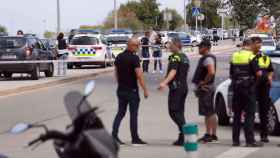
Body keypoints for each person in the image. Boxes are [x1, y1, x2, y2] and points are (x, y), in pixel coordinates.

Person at [112, 38, 149, 146]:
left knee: (120, 113)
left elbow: (116, 73)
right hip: (132, 91)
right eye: (137, 46)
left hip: (121, 89)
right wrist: (145, 90)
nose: (138, 48)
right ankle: (135, 138)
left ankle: (114, 136)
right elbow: (139, 75)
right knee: (133, 115)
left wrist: (120, 84)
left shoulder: (119, 57)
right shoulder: (134, 58)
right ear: (131, 45)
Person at [230, 39, 263, 147]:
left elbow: (231, 74)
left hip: (236, 88)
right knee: (249, 115)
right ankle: (250, 141)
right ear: (250, 45)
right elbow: (258, 73)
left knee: (237, 115)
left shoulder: (234, 56)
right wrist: (255, 84)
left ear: (243, 45)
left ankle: (235, 140)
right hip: (248, 89)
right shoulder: (251, 56)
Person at [158, 37, 190, 146]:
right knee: (180, 112)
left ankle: (185, 133)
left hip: (176, 88)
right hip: (184, 87)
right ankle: (182, 138)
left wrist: (164, 83)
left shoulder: (175, 57)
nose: (169, 46)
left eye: (171, 44)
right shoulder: (184, 57)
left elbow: (173, 72)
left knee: (173, 112)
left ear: (176, 45)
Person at [192, 39, 218, 143]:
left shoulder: (207, 58)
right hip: (208, 88)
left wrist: (203, 82)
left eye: (200, 47)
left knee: (209, 112)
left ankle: (209, 134)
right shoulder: (206, 58)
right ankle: (213, 134)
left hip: (206, 88)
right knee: (210, 112)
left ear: (206, 48)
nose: (198, 48)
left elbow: (211, 72)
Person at [251, 37, 274, 143]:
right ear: (252, 44)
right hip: (251, 86)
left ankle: (264, 135)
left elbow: (270, 70)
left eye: (260, 43)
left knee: (263, 111)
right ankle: (249, 137)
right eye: (256, 43)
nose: (259, 45)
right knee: (250, 111)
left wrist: (270, 77)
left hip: (264, 87)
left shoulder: (265, 57)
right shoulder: (249, 56)